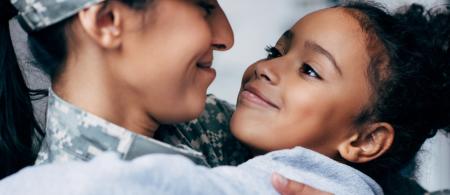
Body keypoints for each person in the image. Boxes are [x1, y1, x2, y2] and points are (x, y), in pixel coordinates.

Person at [5, 1, 450, 194]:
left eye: (309, 69)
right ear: (107, 20)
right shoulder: (67, 177)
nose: (228, 37)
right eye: (203, 6)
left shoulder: (234, 128)